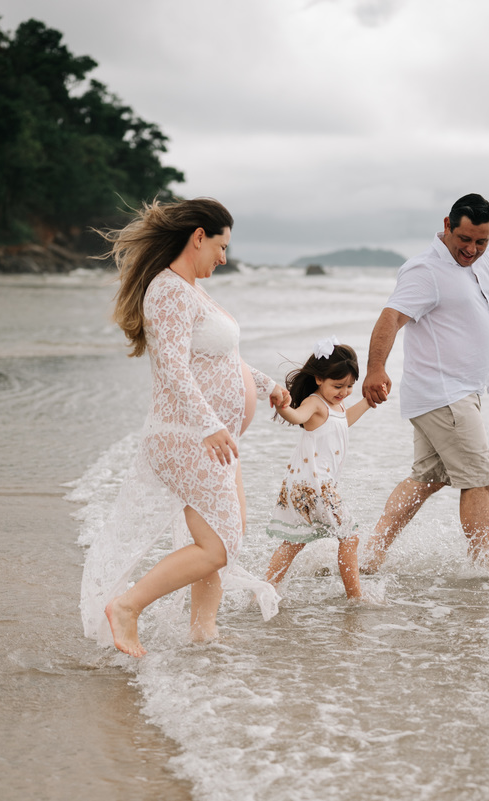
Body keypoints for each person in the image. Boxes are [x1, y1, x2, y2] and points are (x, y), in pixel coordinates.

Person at [78, 197, 289, 657]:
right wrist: (209, 423)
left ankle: (203, 631)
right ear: (198, 237)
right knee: (218, 545)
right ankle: (127, 608)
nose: (224, 258)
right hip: (187, 437)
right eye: (221, 246)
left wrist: (267, 384)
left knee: (222, 536)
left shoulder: (191, 290)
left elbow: (221, 359)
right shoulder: (169, 291)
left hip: (209, 438)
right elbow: (172, 366)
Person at [360, 193, 489, 577]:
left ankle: (369, 556)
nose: (471, 249)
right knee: (479, 477)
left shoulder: (485, 262)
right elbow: (391, 317)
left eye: (481, 241)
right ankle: (485, 564)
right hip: (443, 394)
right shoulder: (425, 270)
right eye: (464, 239)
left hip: (458, 392)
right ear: (447, 225)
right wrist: (375, 368)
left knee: (427, 478)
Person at [264, 339, 372, 600]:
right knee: (350, 537)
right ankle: (355, 597)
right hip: (317, 485)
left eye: (349, 386)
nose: (344, 392)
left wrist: (368, 401)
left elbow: (343, 421)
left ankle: (265, 592)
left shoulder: (335, 405)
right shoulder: (314, 403)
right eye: (338, 386)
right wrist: (282, 406)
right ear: (318, 379)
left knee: (294, 541)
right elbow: (297, 417)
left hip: (305, 484)